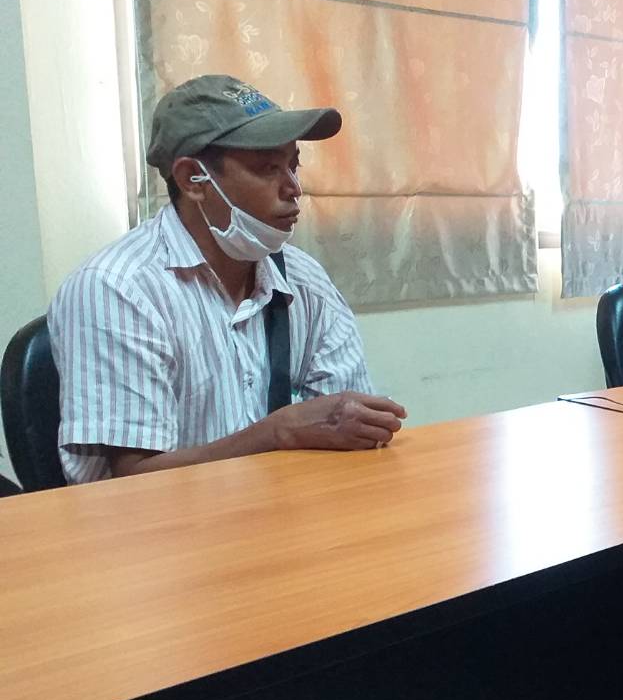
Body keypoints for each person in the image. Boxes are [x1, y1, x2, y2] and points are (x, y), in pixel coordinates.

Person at [49, 74, 407, 484]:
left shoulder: (305, 280)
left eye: (293, 165)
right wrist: (277, 433)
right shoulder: (118, 289)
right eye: (267, 168)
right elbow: (134, 484)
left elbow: (345, 441)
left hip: (285, 511)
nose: (293, 188)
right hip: (161, 522)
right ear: (193, 179)